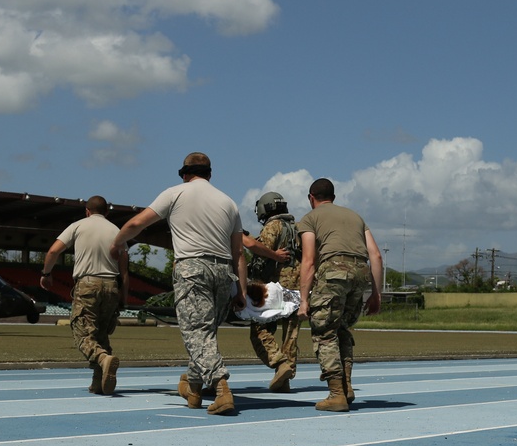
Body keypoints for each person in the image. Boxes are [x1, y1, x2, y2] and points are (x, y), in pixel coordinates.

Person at [111, 152, 247, 416]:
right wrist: (240, 290)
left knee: (196, 332)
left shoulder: (175, 193)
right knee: (205, 333)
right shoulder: (229, 202)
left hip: (192, 267)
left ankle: (221, 388)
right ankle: (194, 390)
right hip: (223, 271)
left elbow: (138, 222)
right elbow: (239, 253)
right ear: (209, 174)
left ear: (185, 174)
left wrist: (117, 243)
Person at [297, 178, 383, 412]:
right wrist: (376, 294)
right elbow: (375, 255)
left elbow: (309, 260)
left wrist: (304, 300)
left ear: (311, 198)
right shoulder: (356, 217)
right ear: (333, 197)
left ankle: (336, 394)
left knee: (324, 332)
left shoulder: (309, 218)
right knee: (342, 329)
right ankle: (346, 387)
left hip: (333, 271)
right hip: (360, 274)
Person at [41, 196, 130, 395]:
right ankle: (98, 382)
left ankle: (102, 358)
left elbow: (54, 251)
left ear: (87, 211)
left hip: (88, 284)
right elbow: (124, 271)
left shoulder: (78, 226)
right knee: (101, 335)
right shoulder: (116, 231)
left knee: (83, 334)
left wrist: (46, 274)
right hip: (111, 285)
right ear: (107, 213)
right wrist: (124, 297)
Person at [247, 191, 302, 393]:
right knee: (291, 335)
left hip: (274, 287)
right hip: (297, 289)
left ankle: (279, 363)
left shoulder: (273, 226)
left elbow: (261, 253)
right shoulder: (298, 228)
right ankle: (285, 379)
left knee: (260, 330)